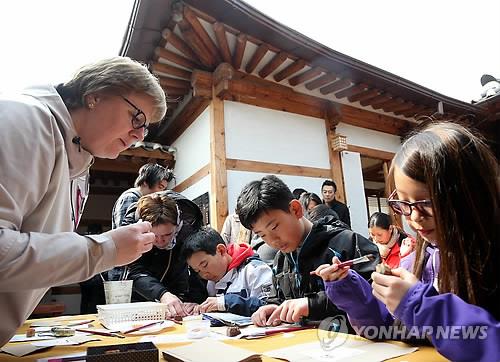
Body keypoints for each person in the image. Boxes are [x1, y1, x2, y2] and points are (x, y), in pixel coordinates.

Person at [0, 56, 166, 346]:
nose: (139, 135)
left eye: (146, 128)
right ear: (95, 95)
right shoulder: (25, 120)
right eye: (137, 117)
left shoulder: (78, 165)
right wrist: (106, 248)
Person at [314, 122, 500, 361]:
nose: (414, 216)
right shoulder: (418, 260)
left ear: (470, 194)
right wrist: (349, 288)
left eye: (427, 202)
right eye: (404, 203)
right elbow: (387, 326)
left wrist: (422, 307)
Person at [235, 175, 380, 327]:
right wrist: (274, 308)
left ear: (296, 210)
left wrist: (312, 305)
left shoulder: (347, 243)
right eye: (262, 235)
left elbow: (376, 298)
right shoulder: (281, 259)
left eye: (274, 227)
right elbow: (279, 297)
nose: (272, 241)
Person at [121, 190, 206, 317]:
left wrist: (194, 300)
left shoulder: (189, 226)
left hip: (176, 281)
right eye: (155, 236)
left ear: (177, 226)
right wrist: (162, 294)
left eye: (167, 234)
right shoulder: (132, 228)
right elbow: (133, 271)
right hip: (141, 292)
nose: (160, 241)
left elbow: (196, 268)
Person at [182, 227, 273, 316]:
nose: (204, 274)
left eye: (204, 265)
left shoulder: (255, 270)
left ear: (221, 251)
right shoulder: (210, 282)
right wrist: (198, 306)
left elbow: (269, 306)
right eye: (197, 271)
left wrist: (225, 302)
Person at [112, 163, 173, 229]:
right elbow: (122, 231)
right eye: (160, 187)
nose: (161, 193)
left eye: (164, 189)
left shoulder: (141, 199)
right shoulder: (130, 198)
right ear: (145, 181)